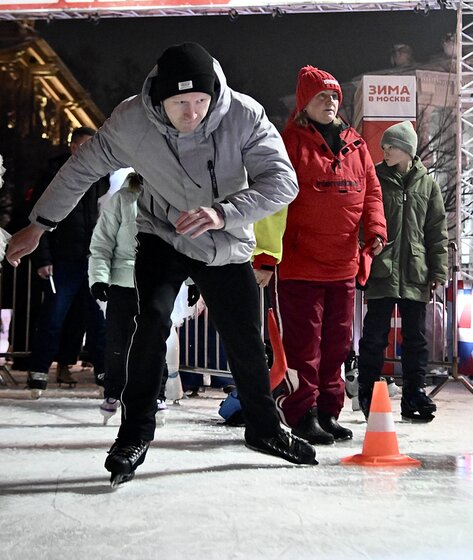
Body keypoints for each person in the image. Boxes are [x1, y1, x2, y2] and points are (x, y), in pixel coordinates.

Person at [6, 42, 317, 486]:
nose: (192, 114)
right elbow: (80, 170)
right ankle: (133, 434)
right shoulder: (132, 121)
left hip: (224, 237)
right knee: (149, 323)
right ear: (158, 100)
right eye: (179, 104)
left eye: (200, 102)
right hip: (162, 233)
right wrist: (40, 225)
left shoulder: (243, 114)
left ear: (214, 94)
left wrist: (223, 213)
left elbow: (283, 181)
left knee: (247, 338)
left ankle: (265, 429)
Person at [256, 66, 386, 445]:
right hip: (301, 265)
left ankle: (329, 412)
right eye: (321, 97)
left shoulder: (356, 145)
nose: (329, 102)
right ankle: (301, 412)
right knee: (303, 346)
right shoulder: (289, 143)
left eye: (333, 97)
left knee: (337, 345)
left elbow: (372, 193)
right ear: (304, 104)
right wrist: (265, 255)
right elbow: (272, 200)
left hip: (342, 264)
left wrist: (375, 230)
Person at [357, 121, 448, 422]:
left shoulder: (428, 185)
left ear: (408, 150)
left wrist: (438, 271)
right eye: (384, 146)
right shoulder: (375, 179)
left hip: (415, 272)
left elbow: (436, 231)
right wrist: (363, 255)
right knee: (374, 336)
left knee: (416, 338)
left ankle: (414, 393)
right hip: (382, 268)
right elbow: (363, 220)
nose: (385, 151)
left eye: (391, 147)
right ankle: (368, 392)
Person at [88, 172, 194, 425]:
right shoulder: (123, 199)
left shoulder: (174, 199)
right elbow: (102, 240)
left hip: (158, 281)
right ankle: (114, 391)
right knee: (118, 341)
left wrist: (193, 281)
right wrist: (99, 277)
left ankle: (157, 394)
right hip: (123, 281)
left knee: (156, 338)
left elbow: (187, 243)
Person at [26, 127, 108, 394]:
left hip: (93, 260)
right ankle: (38, 371)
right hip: (63, 259)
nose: (89, 151)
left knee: (99, 319)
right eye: (84, 146)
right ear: (73, 147)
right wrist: (43, 258)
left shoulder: (100, 176)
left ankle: (105, 373)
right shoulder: (54, 175)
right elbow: (38, 216)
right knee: (53, 316)